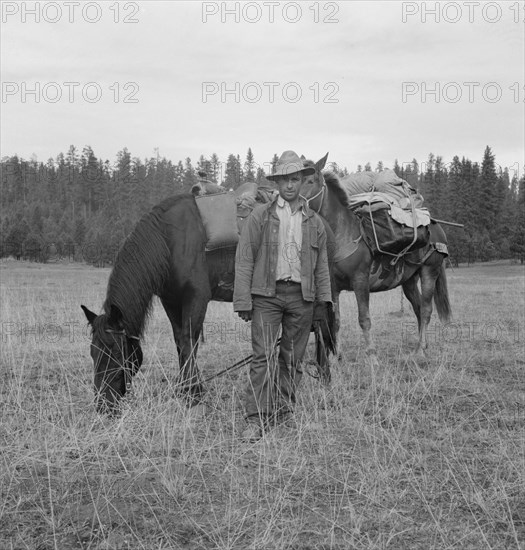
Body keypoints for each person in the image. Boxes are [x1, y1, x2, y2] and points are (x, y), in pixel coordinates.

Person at [233, 150, 332, 442]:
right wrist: (243, 300)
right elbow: (245, 257)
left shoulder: (315, 223)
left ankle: (285, 413)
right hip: (267, 296)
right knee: (262, 356)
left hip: (302, 298)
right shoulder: (259, 216)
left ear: (303, 182)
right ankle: (255, 418)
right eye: (284, 180)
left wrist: (323, 304)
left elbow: (322, 266)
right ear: (276, 183)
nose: (289, 185)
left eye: (295, 179)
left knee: (292, 359)